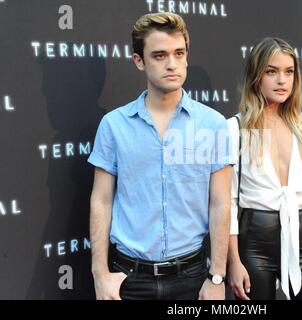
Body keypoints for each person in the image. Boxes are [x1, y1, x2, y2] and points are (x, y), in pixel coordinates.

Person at [88, 12, 233, 300]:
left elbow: (220, 203)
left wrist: (217, 276)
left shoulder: (213, 124)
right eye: (159, 55)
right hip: (129, 279)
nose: (172, 64)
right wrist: (99, 274)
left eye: (179, 53)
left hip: (192, 278)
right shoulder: (114, 125)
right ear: (139, 61)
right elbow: (101, 200)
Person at [227, 37, 302, 300]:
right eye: (271, 72)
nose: (282, 80)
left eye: (289, 72)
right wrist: (234, 262)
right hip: (254, 247)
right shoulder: (235, 128)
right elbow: (227, 204)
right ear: (256, 76)